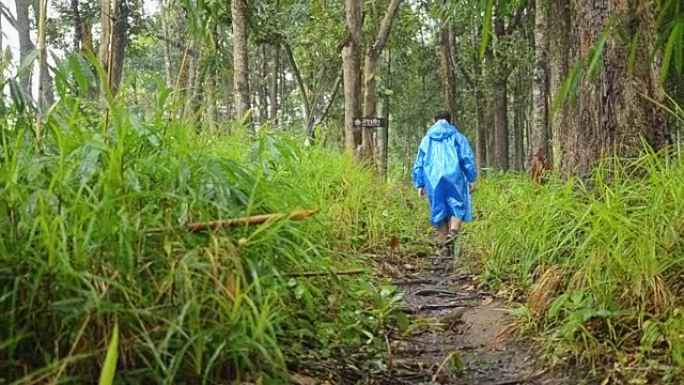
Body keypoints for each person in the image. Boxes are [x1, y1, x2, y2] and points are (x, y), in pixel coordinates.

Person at [412, 111, 477, 245]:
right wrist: (471, 178)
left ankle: (443, 244)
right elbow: (467, 158)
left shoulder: (427, 140)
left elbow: (419, 162)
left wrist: (420, 183)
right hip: (455, 176)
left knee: (438, 207)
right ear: (449, 120)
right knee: (457, 205)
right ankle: (452, 233)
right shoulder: (458, 137)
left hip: (432, 178)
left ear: (434, 121)